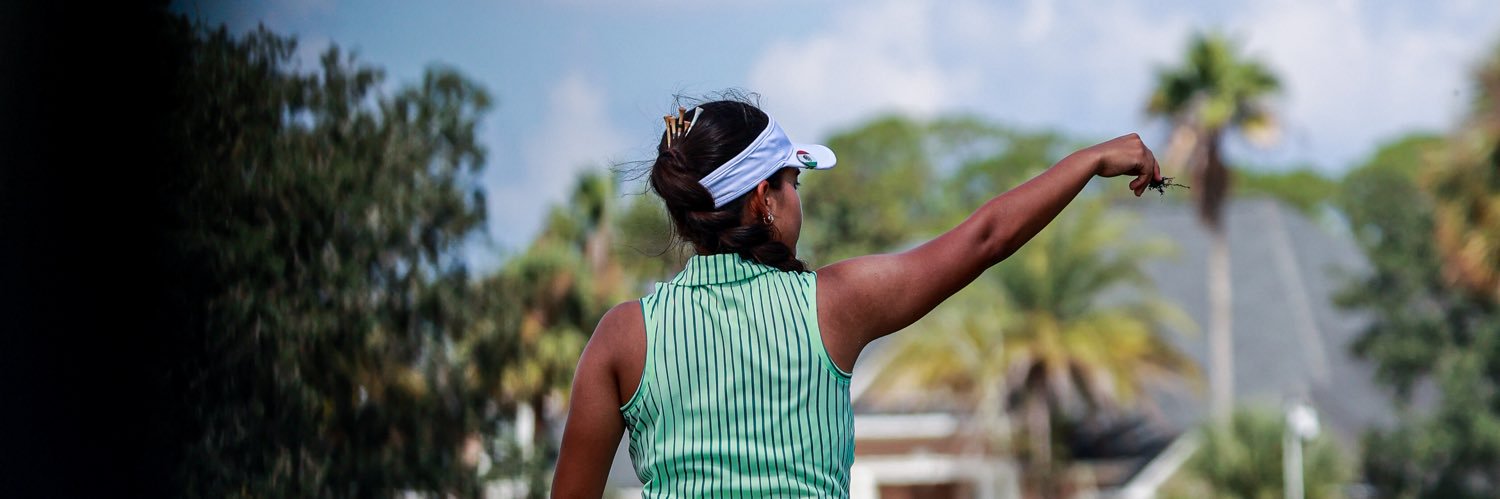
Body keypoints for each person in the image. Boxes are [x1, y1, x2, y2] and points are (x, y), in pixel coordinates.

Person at [551, 97, 1162, 497]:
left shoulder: (625, 336)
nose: (798, 200)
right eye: (794, 181)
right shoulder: (832, 304)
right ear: (765, 197)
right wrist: (1091, 159)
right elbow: (986, 237)